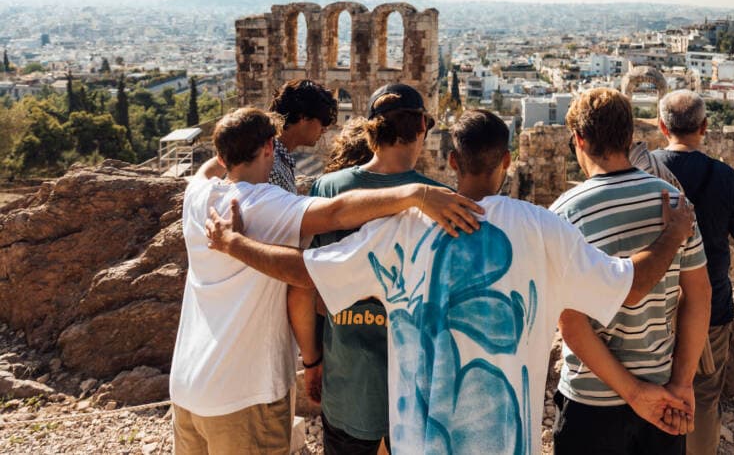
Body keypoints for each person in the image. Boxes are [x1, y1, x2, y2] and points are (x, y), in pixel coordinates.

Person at [204, 108, 697, 454]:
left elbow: (306, 272)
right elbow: (629, 284)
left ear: (452, 163)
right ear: (508, 162)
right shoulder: (543, 229)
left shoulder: (401, 229)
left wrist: (233, 244)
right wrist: (674, 233)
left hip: (419, 441)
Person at [169, 107, 481, 455]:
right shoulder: (265, 205)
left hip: (187, 387)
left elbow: (205, 170)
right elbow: (335, 213)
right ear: (271, 147)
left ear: (222, 154)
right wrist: (415, 195)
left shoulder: (197, 195)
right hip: (244, 392)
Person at [551, 88, 712, 455]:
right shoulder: (674, 202)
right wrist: (683, 382)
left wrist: (634, 394)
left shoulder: (564, 215)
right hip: (664, 391)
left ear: (580, 140)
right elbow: (699, 296)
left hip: (590, 397)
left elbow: (571, 323)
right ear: (631, 138)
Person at [289, 83, 445, 455]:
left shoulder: (327, 189)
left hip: (348, 381)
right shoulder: (440, 201)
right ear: (422, 127)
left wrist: (312, 361)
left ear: (372, 131)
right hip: (415, 395)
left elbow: (304, 288)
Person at [651, 89, 734, 455]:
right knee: (703, 397)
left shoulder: (643, 171)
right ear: (704, 127)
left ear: (662, 127)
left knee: (648, 390)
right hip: (710, 303)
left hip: (649, 307)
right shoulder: (724, 176)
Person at [268, 79, 339, 192]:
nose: (324, 129)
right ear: (304, 117)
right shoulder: (271, 165)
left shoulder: (276, 157)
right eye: (324, 121)